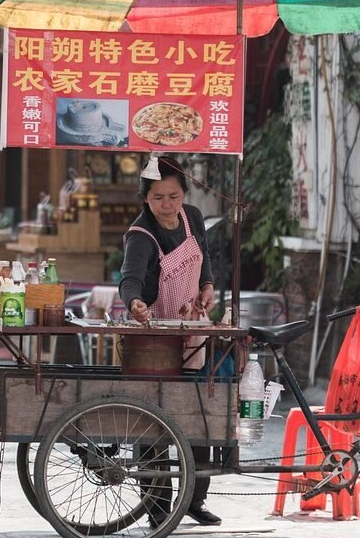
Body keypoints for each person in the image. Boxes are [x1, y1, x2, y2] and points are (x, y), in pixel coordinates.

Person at [119, 155, 219, 528]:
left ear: (184, 194)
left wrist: (207, 285)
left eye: (174, 196)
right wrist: (135, 303)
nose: (167, 205)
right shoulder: (140, 235)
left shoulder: (192, 216)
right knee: (153, 422)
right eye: (158, 197)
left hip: (192, 328)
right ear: (146, 198)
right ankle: (157, 505)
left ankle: (195, 498)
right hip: (155, 338)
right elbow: (129, 278)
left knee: (199, 412)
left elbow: (203, 256)